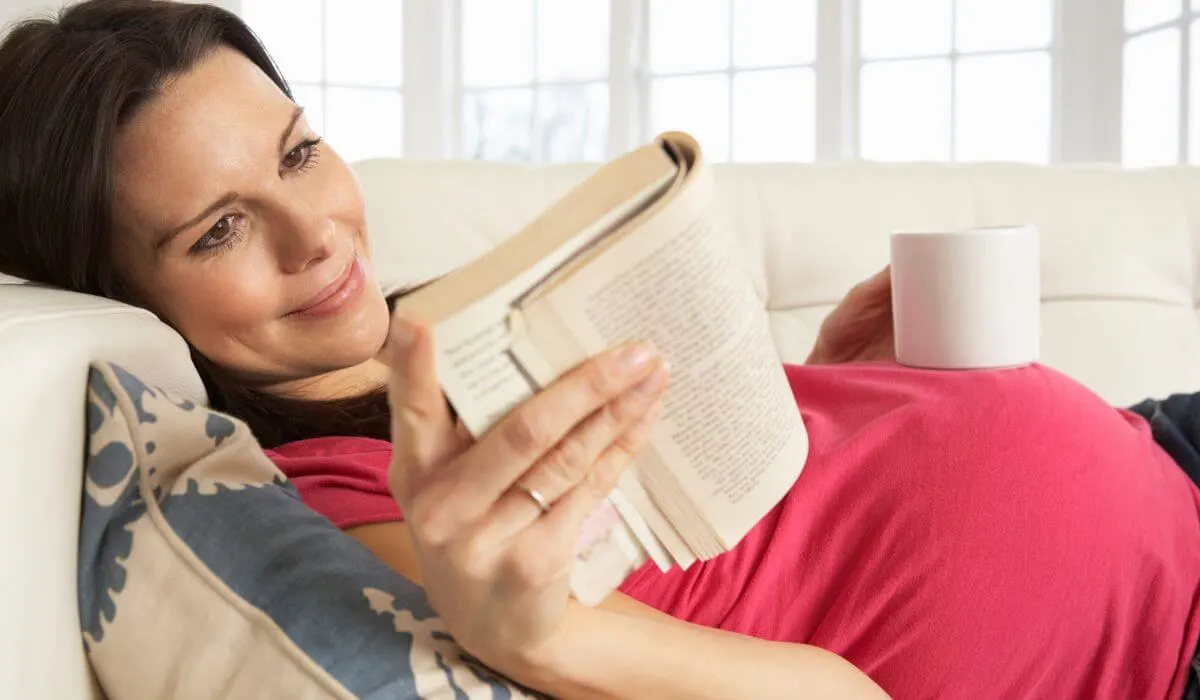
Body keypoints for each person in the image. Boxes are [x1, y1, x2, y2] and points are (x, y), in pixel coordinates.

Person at [2, 2, 1199, 698]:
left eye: (300, 153)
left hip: (1164, 442)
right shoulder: (346, 507)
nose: (317, 234)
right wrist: (540, 635)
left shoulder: (448, 325)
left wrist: (839, 388)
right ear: (130, 293)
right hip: (1168, 640)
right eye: (220, 228)